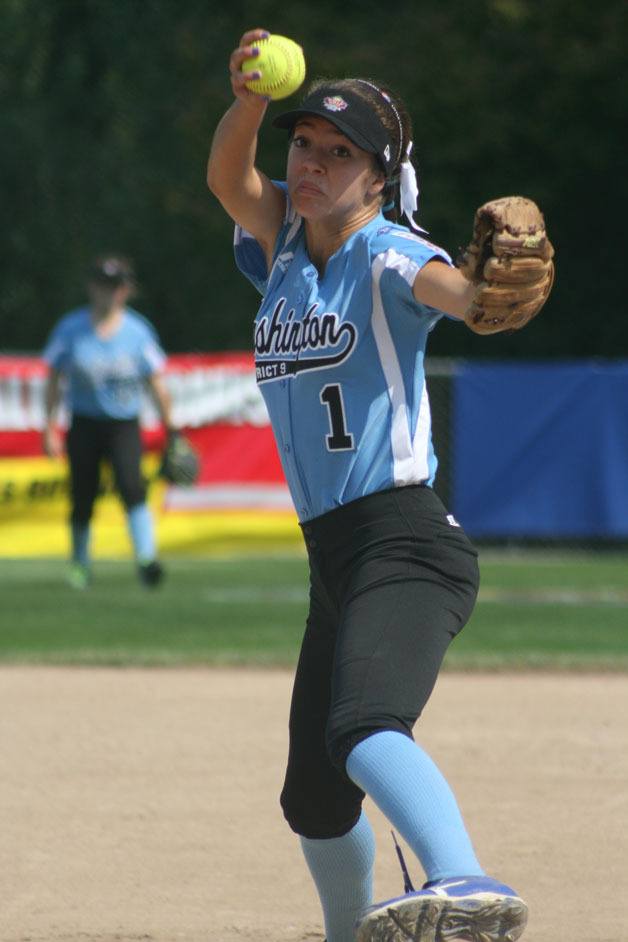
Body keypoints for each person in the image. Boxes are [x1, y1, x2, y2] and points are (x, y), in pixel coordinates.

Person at [207, 29, 533, 942]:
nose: (310, 163)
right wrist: (249, 105)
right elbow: (229, 183)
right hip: (335, 560)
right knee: (313, 795)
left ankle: (464, 881)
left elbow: (451, 291)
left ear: (380, 178)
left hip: (406, 542)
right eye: (304, 145)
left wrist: (477, 295)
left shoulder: (387, 251)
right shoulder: (279, 250)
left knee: (364, 724)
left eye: (338, 153)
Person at [42, 255, 173, 589]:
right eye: (102, 285)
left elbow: (155, 382)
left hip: (123, 424)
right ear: (91, 287)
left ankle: (147, 560)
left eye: (114, 286)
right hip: (84, 421)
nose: (107, 293)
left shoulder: (138, 331)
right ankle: (80, 564)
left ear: (125, 290)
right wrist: (49, 427)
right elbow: (54, 378)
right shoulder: (71, 329)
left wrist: (172, 428)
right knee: (83, 493)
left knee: (132, 487)